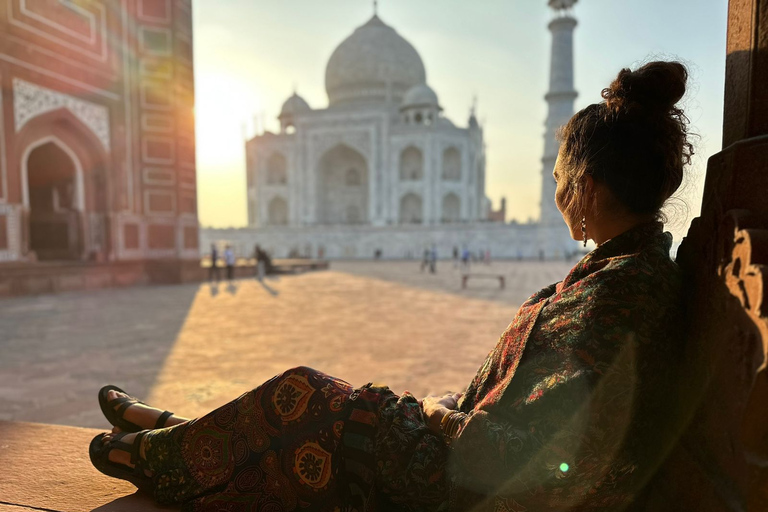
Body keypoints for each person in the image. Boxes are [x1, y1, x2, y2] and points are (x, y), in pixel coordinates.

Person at [89, 61, 693, 511]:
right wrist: (442, 413)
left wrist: (437, 418)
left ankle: (153, 453)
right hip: (458, 461)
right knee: (316, 404)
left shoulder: (617, 295)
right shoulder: (624, 275)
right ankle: (175, 433)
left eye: (560, 176)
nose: (555, 189)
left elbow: (549, 458)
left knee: (302, 395)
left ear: (586, 187)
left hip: (461, 482)